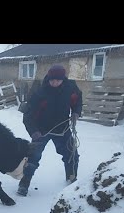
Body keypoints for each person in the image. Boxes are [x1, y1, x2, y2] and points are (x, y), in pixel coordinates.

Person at [17, 64, 82, 197]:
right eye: (52, 80)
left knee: (71, 153)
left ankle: (71, 177)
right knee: (33, 156)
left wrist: (76, 112)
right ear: (49, 78)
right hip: (41, 130)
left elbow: (77, 99)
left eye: (58, 80)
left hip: (62, 128)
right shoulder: (40, 93)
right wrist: (34, 131)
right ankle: (24, 183)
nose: (55, 82)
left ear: (63, 79)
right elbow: (28, 116)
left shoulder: (70, 88)